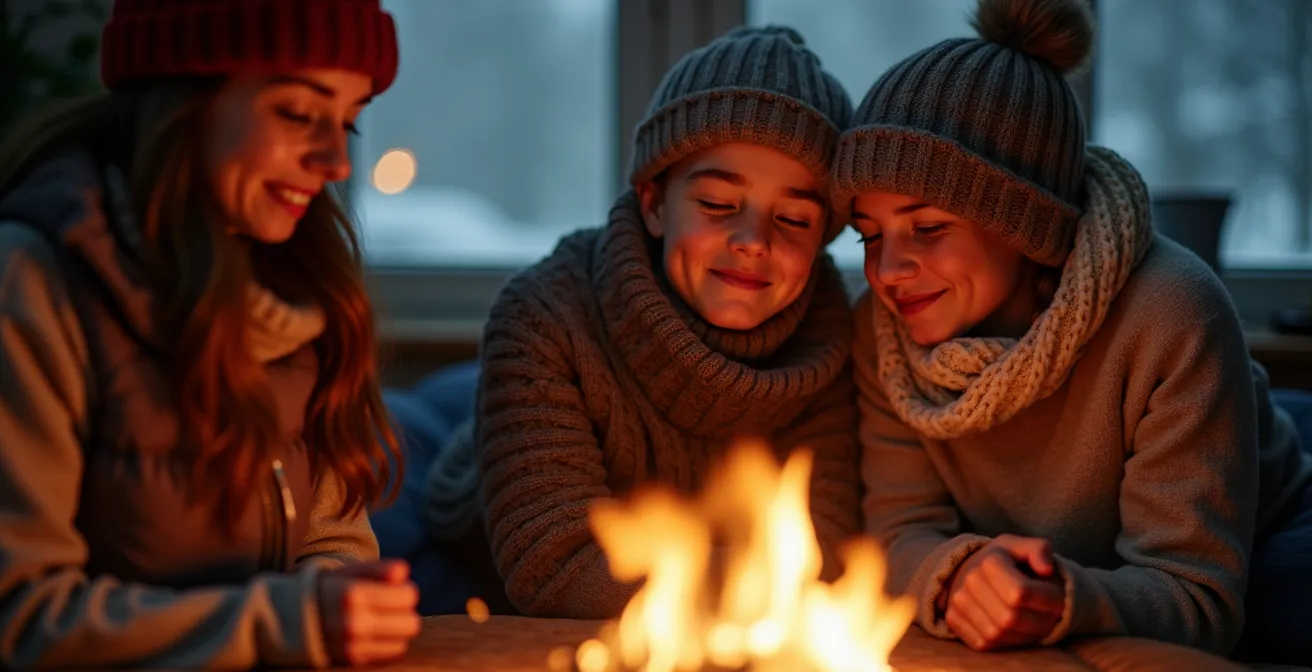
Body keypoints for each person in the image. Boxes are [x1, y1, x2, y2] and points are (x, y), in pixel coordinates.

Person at [837, 0, 1312, 662]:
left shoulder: (1172, 312)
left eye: (929, 227)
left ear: (1027, 223)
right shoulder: (882, 331)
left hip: (1262, 511)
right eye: (868, 234)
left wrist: (1068, 600)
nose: (886, 271)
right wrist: (957, 574)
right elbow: (897, 535)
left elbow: (1197, 597)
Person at [0, 0, 422, 667]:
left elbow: (332, 543)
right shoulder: (32, 281)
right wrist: (283, 623)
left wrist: (341, 595)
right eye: (296, 113)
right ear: (184, 99)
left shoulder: (301, 288)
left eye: (350, 122)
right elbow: (22, 618)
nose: (338, 160)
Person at [423, 25, 862, 618]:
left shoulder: (830, 342)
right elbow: (555, 570)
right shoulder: (542, 317)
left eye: (793, 220)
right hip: (470, 517)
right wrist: (757, 576)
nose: (753, 240)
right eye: (717, 205)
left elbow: (830, 557)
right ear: (654, 202)